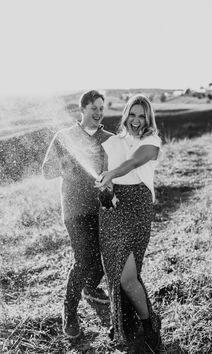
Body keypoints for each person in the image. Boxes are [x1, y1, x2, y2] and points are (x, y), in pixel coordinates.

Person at [42, 90, 113, 339]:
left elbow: (119, 173)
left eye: (101, 108)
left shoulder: (109, 139)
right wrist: (68, 164)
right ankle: (69, 312)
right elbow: (46, 171)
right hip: (75, 210)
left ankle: (91, 289)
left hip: (104, 209)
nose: (98, 112)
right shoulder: (65, 137)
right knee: (83, 260)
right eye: (94, 107)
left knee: (106, 258)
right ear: (82, 109)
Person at [95, 94, 162, 352]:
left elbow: (134, 162)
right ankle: (124, 324)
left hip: (137, 208)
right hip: (112, 211)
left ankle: (150, 325)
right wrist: (105, 189)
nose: (136, 121)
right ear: (125, 115)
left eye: (141, 116)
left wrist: (111, 174)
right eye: (132, 115)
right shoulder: (112, 142)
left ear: (148, 118)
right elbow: (103, 176)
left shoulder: (151, 141)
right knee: (114, 273)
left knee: (127, 277)